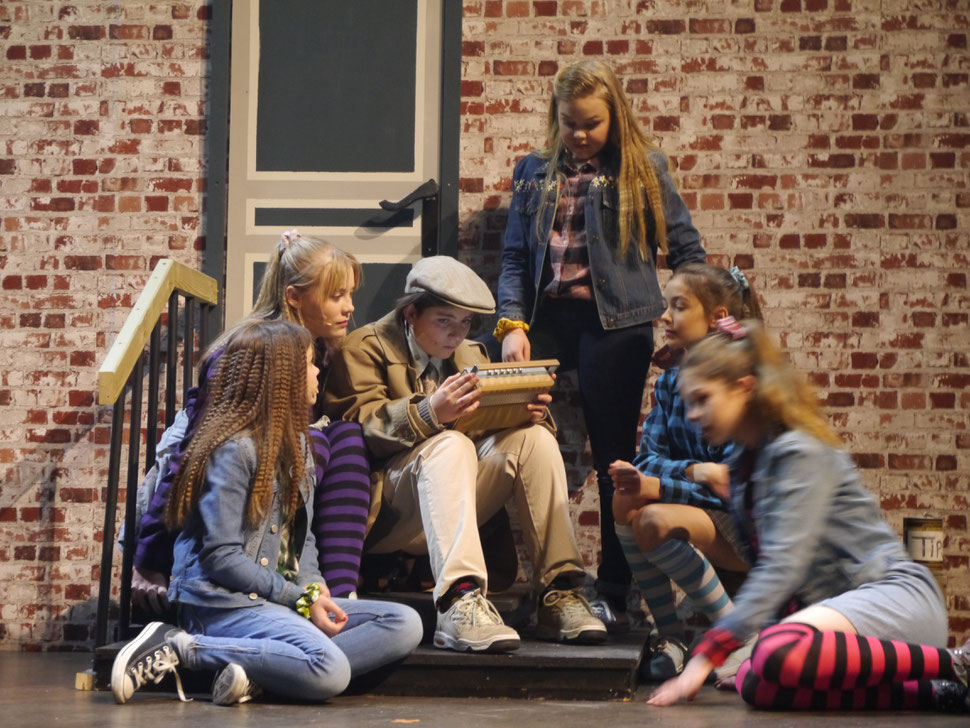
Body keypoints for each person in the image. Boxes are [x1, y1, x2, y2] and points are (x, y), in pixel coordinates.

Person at [646, 318, 969, 713]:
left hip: (894, 600)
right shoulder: (745, 463)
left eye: (702, 399)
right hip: (836, 624)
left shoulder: (798, 451)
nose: (693, 414)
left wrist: (704, 657)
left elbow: (781, 568)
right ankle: (937, 694)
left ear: (743, 388)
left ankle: (955, 663)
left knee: (772, 652)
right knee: (755, 683)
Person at [494, 59, 707, 629]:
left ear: (615, 114)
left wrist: (692, 330)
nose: (581, 135)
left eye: (591, 123)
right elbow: (515, 258)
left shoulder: (644, 170)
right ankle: (533, 581)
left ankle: (616, 586)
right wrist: (512, 325)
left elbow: (687, 251)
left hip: (617, 326)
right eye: (570, 124)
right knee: (519, 441)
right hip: (546, 321)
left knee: (616, 456)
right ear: (555, 118)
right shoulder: (533, 171)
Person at [111, 320, 423, 706]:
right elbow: (220, 557)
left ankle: (259, 673)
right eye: (309, 364)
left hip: (272, 601)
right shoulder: (234, 450)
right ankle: (182, 647)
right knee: (331, 670)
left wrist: (313, 587)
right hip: (221, 603)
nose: (317, 372)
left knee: (404, 623)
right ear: (284, 378)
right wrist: (298, 598)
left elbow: (301, 537)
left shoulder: (301, 448)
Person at [325, 255, 607, 653]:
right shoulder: (364, 348)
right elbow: (357, 431)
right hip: (387, 510)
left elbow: (492, 429)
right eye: (444, 320)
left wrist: (526, 411)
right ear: (410, 313)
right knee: (451, 443)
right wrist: (429, 412)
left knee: (536, 440)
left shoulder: (472, 355)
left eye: (465, 323)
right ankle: (460, 601)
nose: (456, 335)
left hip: (452, 500)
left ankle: (558, 593)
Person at [132, 230, 372, 611]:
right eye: (336, 295)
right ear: (293, 296)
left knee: (348, 435)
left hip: (278, 492)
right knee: (319, 439)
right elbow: (191, 451)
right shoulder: (246, 351)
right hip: (229, 490)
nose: (349, 308)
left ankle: (341, 596)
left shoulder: (323, 350)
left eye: (350, 294)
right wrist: (147, 559)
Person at [610, 264, 759, 682]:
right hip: (703, 507)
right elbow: (648, 459)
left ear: (716, 316)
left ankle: (738, 634)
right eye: (666, 306)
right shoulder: (670, 381)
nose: (665, 317)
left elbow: (734, 488)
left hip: (747, 527)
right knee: (625, 498)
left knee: (654, 517)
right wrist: (698, 470)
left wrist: (660, 486)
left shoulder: (739, 383)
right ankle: (671, 637)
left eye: (679, 306)